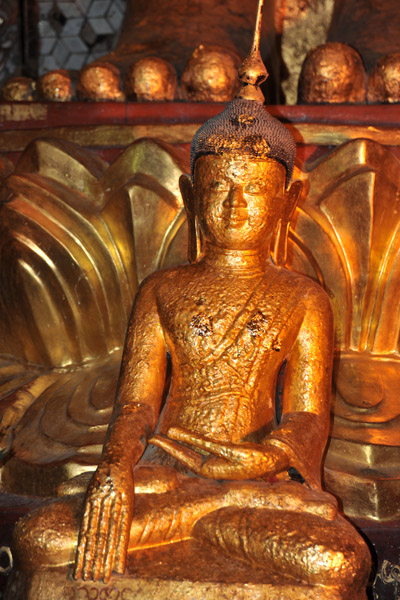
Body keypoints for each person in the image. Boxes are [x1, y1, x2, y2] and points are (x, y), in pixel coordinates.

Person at [12, 6, 371, 595]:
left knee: (335, 563)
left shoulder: (303, 297)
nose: (235, 205)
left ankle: (203, 515)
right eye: (218, 188)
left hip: (254, 484)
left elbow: (307, 415)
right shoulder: (163, 290)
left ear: (288, 198)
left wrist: (263, 459)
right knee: (39, 537)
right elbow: (136, 406)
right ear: (190, 192)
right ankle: (204, 515)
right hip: (165, 473)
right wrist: (114, 470)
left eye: (254, 190)